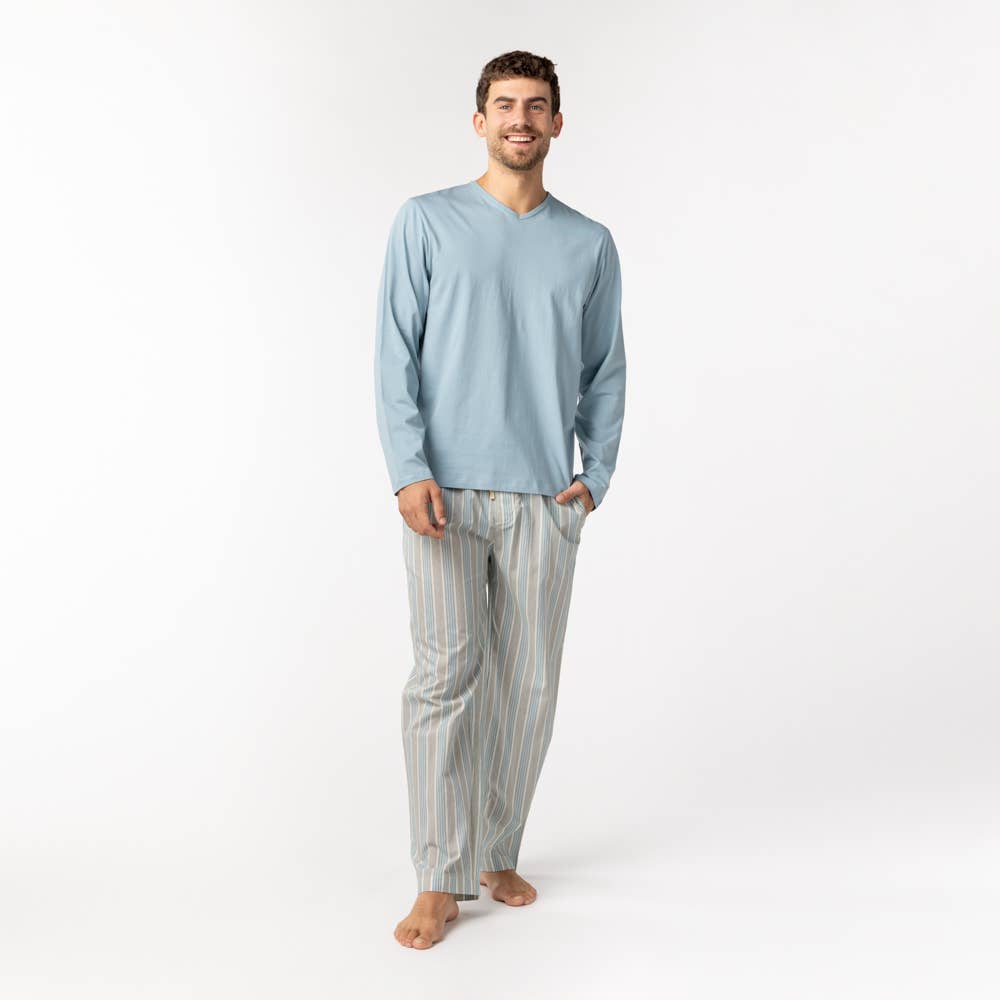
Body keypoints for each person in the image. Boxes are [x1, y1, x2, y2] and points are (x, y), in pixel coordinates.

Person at [374, 50, 627, 950]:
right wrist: (408, 468)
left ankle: (494, 849)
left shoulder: (589, 243)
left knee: (528, 688)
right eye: (505, 104)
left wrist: (594, 477)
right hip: (442, 495)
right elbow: (395, 354)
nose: (521, 118)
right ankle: (438, 878)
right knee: (443, 680)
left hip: (543, 499)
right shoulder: (427, 221)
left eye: (537, 105)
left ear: (557, 123)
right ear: (479, 121)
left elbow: (605, 368)